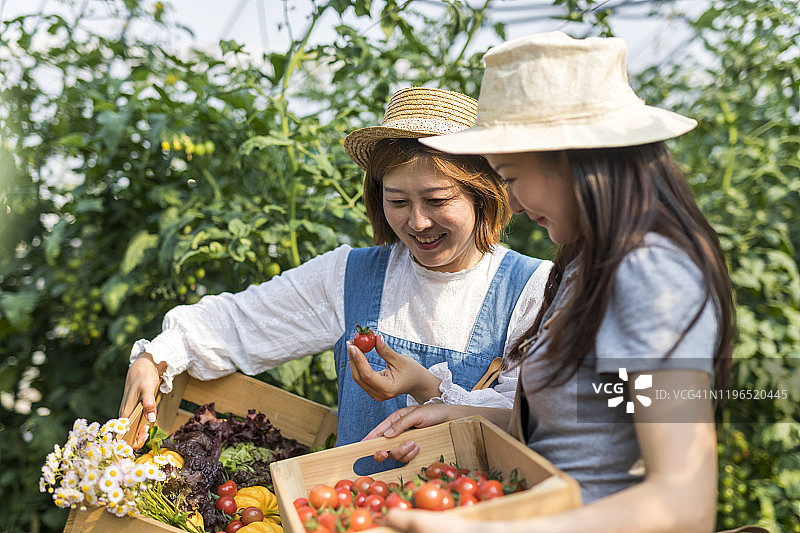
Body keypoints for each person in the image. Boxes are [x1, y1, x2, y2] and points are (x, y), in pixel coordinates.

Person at [363, 32, 735, 532]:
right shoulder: (586, 266)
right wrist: (454, 413)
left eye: (511, 176)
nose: (511, 202)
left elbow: (684, 502)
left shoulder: (650, 274)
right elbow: (584, 426)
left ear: (574, 163)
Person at [119, 86, 552, 448]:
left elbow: (538, 419)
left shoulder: (533, 290)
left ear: (482, 196)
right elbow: (236, 324)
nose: (417, 222)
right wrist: (156, 357)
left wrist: (427, 387)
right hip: (348, 514)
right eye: (398, 201)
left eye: (438, 201)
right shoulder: (348, 276)